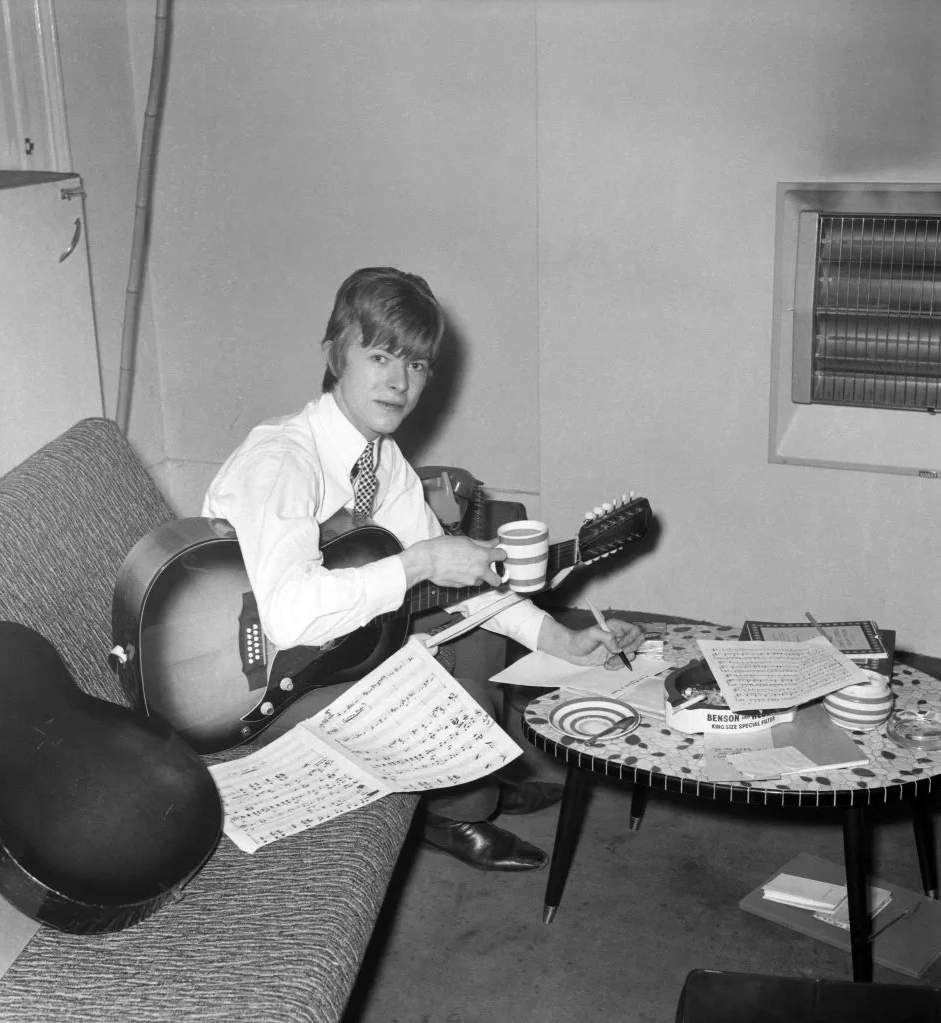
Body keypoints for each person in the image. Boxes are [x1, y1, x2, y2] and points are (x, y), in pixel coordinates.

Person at [202, 266, 643, 871]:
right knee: (450, 658)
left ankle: (474, 785)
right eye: (380, 355)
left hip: (322, 648)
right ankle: (457, 809)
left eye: (416, 364)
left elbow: (462, 582)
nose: (399, 382)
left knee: (481, 631)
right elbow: (290, 613)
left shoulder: (381, 462)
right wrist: (419, 563)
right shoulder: (284, 461)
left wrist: (560, 639)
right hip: (254, 682)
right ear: (336, 353)